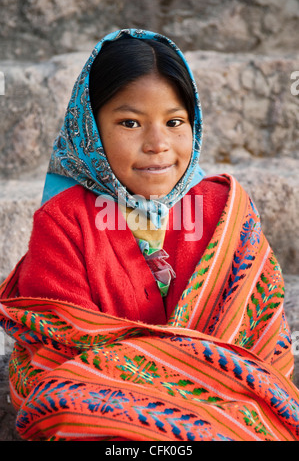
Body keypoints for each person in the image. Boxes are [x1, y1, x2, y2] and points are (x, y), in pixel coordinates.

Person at [0, 29, 298, 442]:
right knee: (63, 404)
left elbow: (263, 338)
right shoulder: (64, 220)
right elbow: (57, 342)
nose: (158, 144)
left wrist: (183, 381)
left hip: (224, 401)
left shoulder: (224, 209)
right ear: (89, 128)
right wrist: (177, 374)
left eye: (175, 122)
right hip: (112, 406)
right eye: (130, 123)